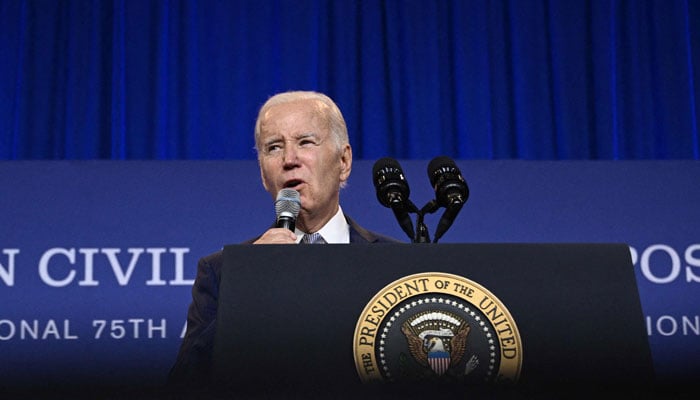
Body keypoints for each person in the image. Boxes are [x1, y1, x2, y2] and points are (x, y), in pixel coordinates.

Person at [167, 90, 401, 386]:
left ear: (343, 161)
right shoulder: (224, 272)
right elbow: (185, 382)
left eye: (305, 142)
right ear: (264, 175)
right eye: (274, 147)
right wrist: (247, 293)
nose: (290, 159)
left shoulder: (393, 264)